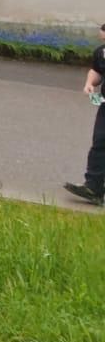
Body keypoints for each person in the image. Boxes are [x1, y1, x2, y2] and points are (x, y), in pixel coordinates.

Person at [64, 22, 105, 207]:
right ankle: (93, 188)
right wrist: (90, 83)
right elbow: (97, 70)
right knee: (100, 143)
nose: (102, 39)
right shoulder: (101, 52)